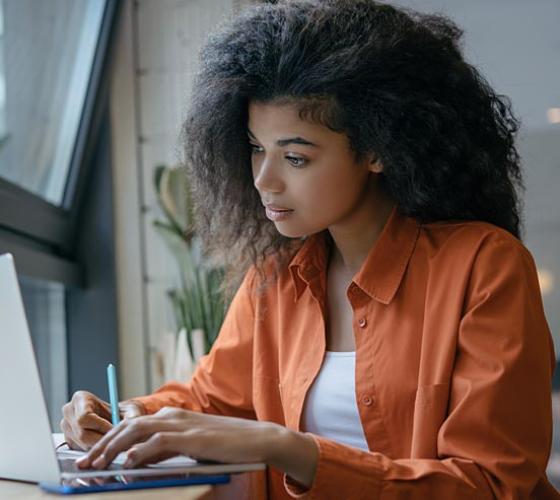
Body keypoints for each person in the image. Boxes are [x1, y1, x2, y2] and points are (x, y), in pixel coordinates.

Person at [60, 0, 559, 498]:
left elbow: (491, 485)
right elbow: (210, 400)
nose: (264, 179)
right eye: (257, 147)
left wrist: (288, 447)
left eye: (295, 157)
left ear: (378, 150)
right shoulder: (272, 280)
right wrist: (128, 416)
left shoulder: (484, 266)